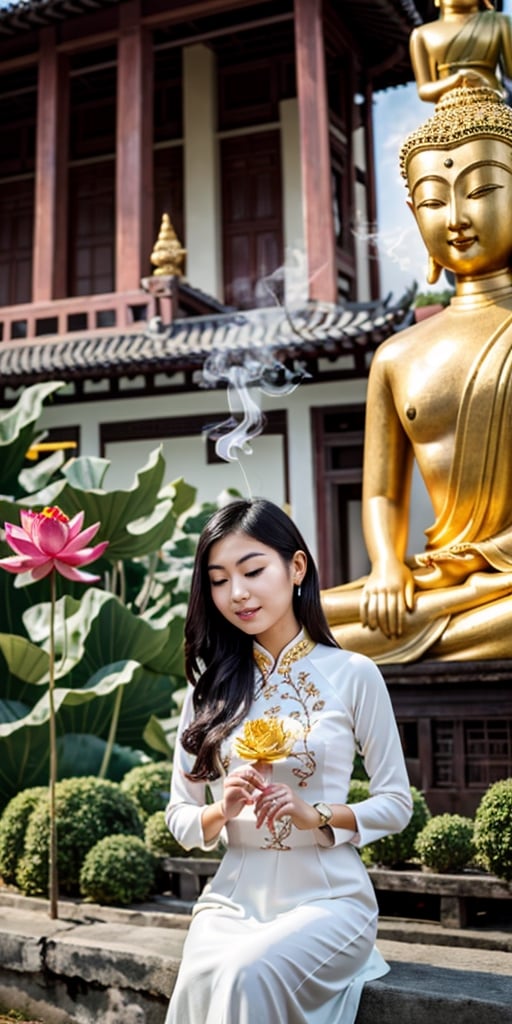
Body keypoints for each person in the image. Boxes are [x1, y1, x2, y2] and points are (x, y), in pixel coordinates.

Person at [164, 497, 412, 1024]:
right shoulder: (208, 691)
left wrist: (317, 815)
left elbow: (396, 803)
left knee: (246, 973)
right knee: (215, 971)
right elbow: (180, 816)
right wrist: (221, 811)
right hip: (231, 901)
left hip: (329, 899)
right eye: (218, 579)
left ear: (296, 567)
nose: (237, 593)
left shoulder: (353, 674)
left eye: (253, 570)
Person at [322, 86, 512, 662]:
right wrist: (385, 567)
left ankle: (428, 628)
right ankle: (431, 623)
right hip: (437, 575)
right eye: (433, 200)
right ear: (413, 214)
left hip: (497, 580)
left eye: (481, 191)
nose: (456, 218)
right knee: (307, 620)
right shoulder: (398, 355)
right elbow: (381, 492)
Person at [409, 0, 512, 104]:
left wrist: (484, 84)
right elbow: (424, 90)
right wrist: (457, 79)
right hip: (449, 107)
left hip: (493, 100)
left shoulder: (499, 22)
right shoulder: (421, 34)